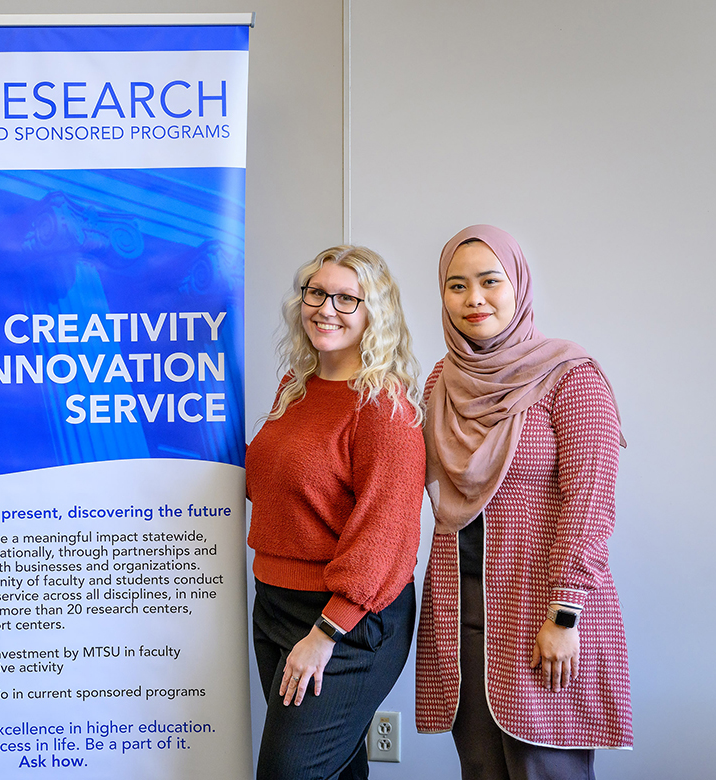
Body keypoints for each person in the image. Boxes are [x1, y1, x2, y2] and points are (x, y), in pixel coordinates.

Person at [415, 225, 633, 779]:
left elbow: (588, 505)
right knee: (481, 770)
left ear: (519, 287)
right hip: (461, 616)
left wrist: (565, 614)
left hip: (544, 612)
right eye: (456, 285)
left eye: (490, 281)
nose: (474, 299)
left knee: (544, 769)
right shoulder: (441, 381)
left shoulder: (569, 376)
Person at [246, 246, 425, 780]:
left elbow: (386, 535)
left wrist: (326, 632)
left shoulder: (384, 407)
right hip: (275, 604)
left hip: (347, 620)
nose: (326, 308)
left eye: (349, 298)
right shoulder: (295, 389)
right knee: (336, 769)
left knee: (288, 773)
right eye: (317, 293)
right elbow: (271, 488)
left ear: (376, 313)